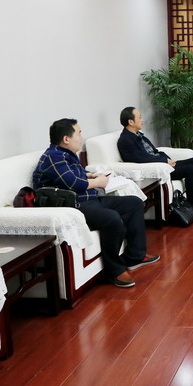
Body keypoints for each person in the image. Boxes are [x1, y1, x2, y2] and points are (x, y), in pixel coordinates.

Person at [34, 118, 159, 288]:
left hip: (89, 199)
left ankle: (135, 256)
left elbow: (74, 176)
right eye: (79, 133)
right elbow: (73, 183)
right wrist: (98, 182)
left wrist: (91, 176)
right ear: (66, 139)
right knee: (112, 219)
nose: (81, 137)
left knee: (134, 203)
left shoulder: (65, 154)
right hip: (75, 206)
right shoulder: (54, 157)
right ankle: (115, 270)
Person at [117, 107, 193, 214]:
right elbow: (141, 159)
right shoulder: (125, 140)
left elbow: (155, 151)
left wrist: (168, 159)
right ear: (131, 122)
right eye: (140, 117)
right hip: (158, 170)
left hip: (163, 164)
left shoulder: (139, 135)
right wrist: (164, 161)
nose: (142, 120)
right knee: (190, 169)